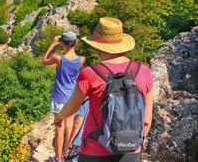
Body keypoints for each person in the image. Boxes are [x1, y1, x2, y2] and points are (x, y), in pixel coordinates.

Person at [55, 17, 154, 162]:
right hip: (131, 151)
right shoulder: (144, 72)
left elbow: (71, 108)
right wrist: (133, 145)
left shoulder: (89, 74)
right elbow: (146, 121)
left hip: (95, 151)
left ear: (96, 46)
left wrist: (59, 117)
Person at [42, 31, 86, 162]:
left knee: (59, 128)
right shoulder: (82, 60)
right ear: (76, 43)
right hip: (72, 97)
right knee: (69, 127)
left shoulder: (58, 58)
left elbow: (44, 61)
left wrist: (53, 44)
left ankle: (58, 158)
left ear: (62, 43)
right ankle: (67, 154)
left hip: (59, 97)